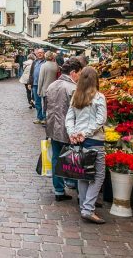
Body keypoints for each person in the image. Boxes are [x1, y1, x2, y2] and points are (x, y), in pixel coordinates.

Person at [65, 66, 107, 224]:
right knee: (98, 175)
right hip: (94, 140)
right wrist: (85, 133)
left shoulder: (77, 95)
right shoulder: (99, 97)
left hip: (78, 141)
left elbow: (69, 118)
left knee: (82, 174)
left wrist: (73, 133)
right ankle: (88, 209)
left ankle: (84, 206)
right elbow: (101, 120)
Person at [45, 57, 83, 201]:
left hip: (53, 128)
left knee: (56, 158)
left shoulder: (52, 85)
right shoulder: (73, 88)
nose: (79, 77)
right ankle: (80, 193)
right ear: (73, 72)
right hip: (68, 130)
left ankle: (59, 190)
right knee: (76, 160)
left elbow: (46, 106)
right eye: (78, 73)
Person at [38, 51, 59, 116]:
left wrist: (39, 90)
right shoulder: (56, 65)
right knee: (52, 106)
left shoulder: (43, 65)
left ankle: (46, 120)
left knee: (46, 105)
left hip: (46, 89)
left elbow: (41, 79)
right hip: (54, 89)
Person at [28, 49, 46, 124]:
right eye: (38, 53)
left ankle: (44, 118)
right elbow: (31, 73)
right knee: (37, 102)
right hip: (35, 85)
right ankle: (39, 117)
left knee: (45, 102)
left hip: (44, 85)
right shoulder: (34, 62)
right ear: (36, 54)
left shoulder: (46, 62)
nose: (39, 54)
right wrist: (29, 83)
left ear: (43, 53)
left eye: (41, 53)